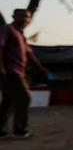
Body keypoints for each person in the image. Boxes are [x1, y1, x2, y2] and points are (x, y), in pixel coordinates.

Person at [0, 9, 48, 138]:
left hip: (19, 71)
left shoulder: (20, 34)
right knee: (24, 97)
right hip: (10, 71)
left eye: (28, 17)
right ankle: (19, 129)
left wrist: (40, 68)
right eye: (22, 16)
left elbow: (29, 53)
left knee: (8, 100)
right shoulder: (7, 29)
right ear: (14, 16)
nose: (25, 19)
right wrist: (1, 68)